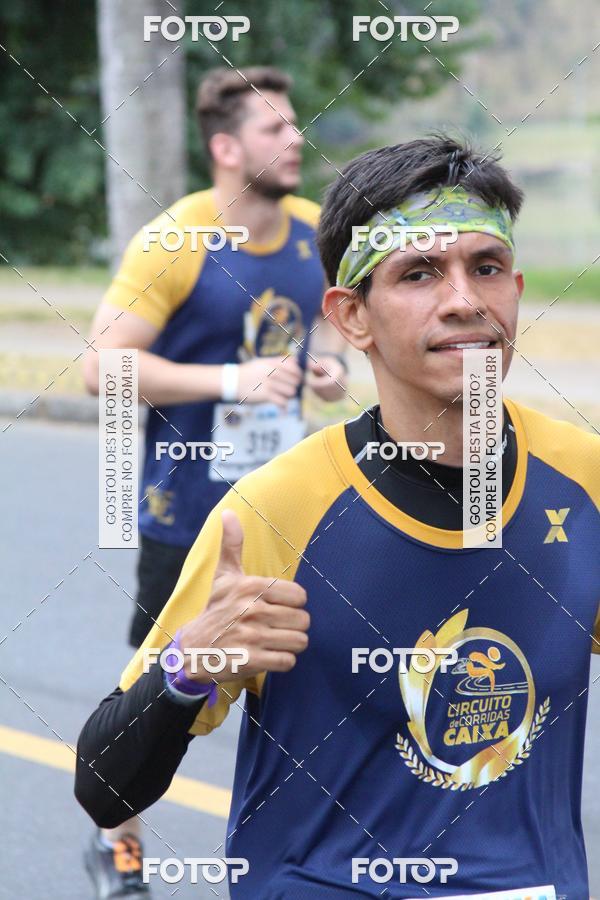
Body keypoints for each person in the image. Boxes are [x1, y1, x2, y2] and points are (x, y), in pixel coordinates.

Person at [76, 135, 600, 898]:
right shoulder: (278, 508)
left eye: (485, 267)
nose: (464, 299)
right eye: (418, 273)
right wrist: (192, 665)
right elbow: (106, 787)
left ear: (516, 288)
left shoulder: (583, 479)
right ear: (351, 316)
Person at [81, 65, 346, 898]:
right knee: (155, 701)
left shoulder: (315, 230)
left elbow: (325, 339)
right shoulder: (178, 237)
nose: (296, 139)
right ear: (227, 147)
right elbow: (101, 370)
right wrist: (232, 382)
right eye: (276, 129)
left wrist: (326, 366)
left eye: (296, 125)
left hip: (293, 510)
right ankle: (120, 858)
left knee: (318, 684)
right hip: (188, 513)